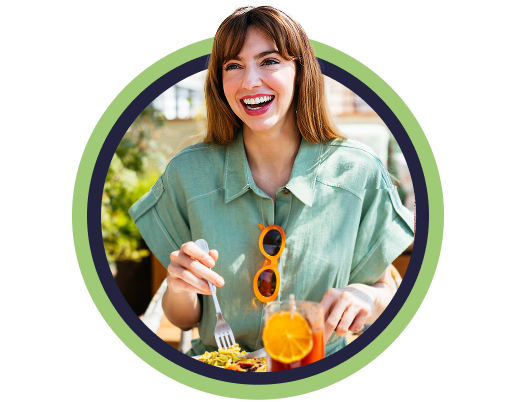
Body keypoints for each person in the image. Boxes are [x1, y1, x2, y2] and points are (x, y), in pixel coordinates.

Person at [129, 3, 414, 357]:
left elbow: (386, 289)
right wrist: (179, 285)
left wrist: (366, 298)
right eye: (233, 66)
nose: (250, 82)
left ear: (301, 70)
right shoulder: (188, 174)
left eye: (269, 61)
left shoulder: (358, 172)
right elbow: (184, 319)